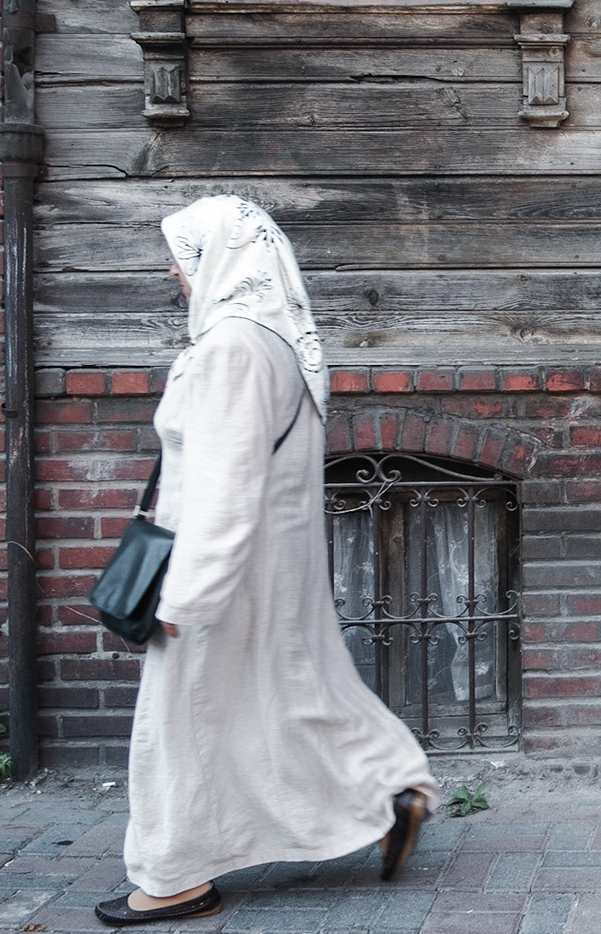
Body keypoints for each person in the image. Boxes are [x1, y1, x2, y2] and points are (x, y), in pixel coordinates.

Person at [96, 196, 438, 927]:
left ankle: (178, 876)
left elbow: (222, 485)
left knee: (184, 725)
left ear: (221, 258)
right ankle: (387, 797)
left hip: (217, 574)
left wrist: (188, 598)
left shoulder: (232, 349)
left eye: (184, 256)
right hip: (269, 566)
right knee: (292, 696)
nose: (175, 272)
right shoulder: (278, 341)